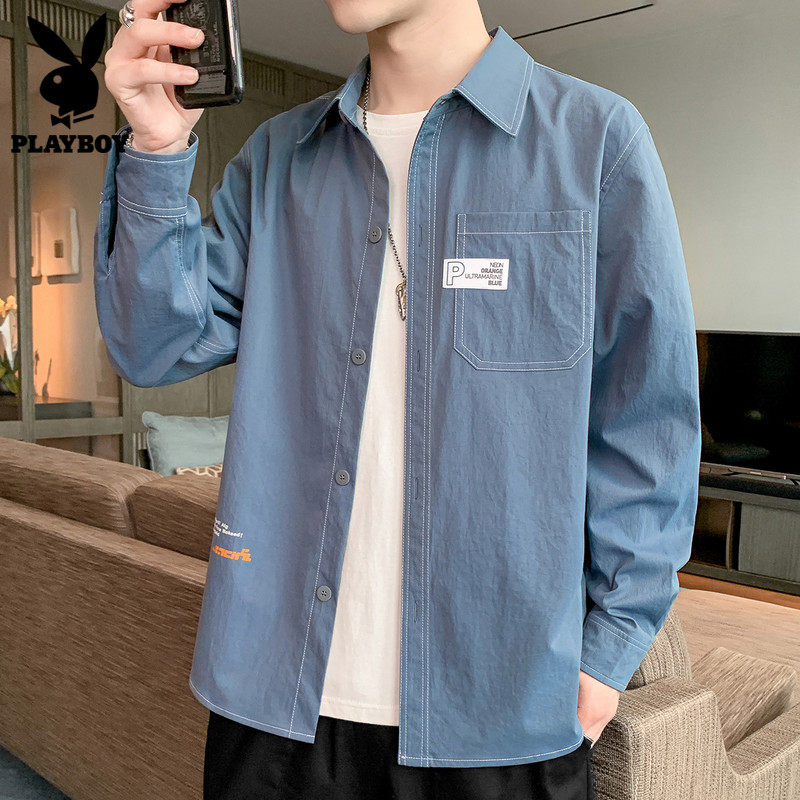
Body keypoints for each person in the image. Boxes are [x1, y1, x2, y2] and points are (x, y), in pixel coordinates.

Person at [96, 0, 702, 797]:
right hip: (275, 703)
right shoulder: (278, 156)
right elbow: (152, 346)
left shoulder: (594, 140)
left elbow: (646, 419)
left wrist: (610, 646)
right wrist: (154, 146)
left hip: (501, 708)